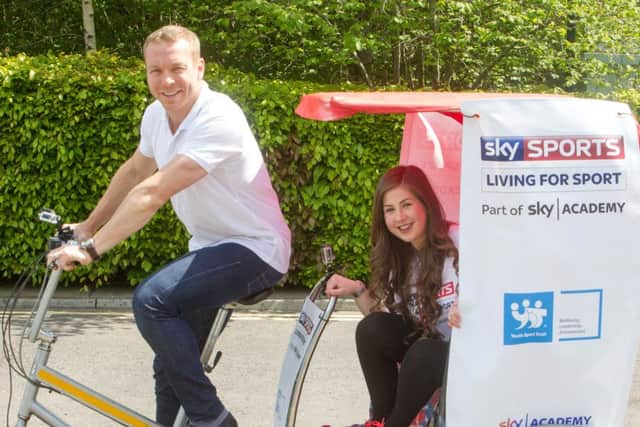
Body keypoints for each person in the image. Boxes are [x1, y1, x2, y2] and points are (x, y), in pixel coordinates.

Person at [46, 25, 291, 427]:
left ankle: (212, 419)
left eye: (177, 68)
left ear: (199, 67)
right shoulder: (156, 116)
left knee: (151, 301)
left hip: (256, 249)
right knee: (169, 367)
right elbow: (135, 170)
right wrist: (88, 225)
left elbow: (151, 192)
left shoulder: (218, 117)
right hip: (210, 248)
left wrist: (90, 250)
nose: (167, 80)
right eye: (155, 71)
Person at [324, 165, 459, 427]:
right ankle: (379, 420)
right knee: (371, 328)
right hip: (425, 351)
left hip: (462, 354)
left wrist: (470, 308)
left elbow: (494, 292)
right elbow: (388, 327)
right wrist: (358, 290)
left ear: (426, 205)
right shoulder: (398, 257)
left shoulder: (459, 239)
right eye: (390, 210)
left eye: (406, 205)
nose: (399, 217)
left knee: (424, 351)